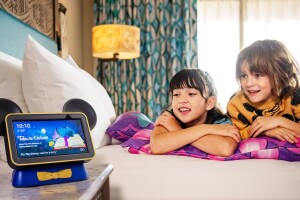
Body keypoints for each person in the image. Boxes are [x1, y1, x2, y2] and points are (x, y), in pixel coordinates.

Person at [150, 68, 240, 157]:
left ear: (209, 103)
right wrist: (206, 129)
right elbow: (156, 146)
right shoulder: (170, 118)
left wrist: (177, 130)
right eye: (176, 94)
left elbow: (226, 148)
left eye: (191, 94)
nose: (182, 100)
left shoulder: (220, 121)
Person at [227, 39, 300, 143]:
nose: (248, 83)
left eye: (258, 75)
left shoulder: (294, 97)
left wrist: (280, 121)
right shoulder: (236, 103)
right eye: (244, 76)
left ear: (279, 74)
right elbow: (234, 134)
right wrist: (264, 131)